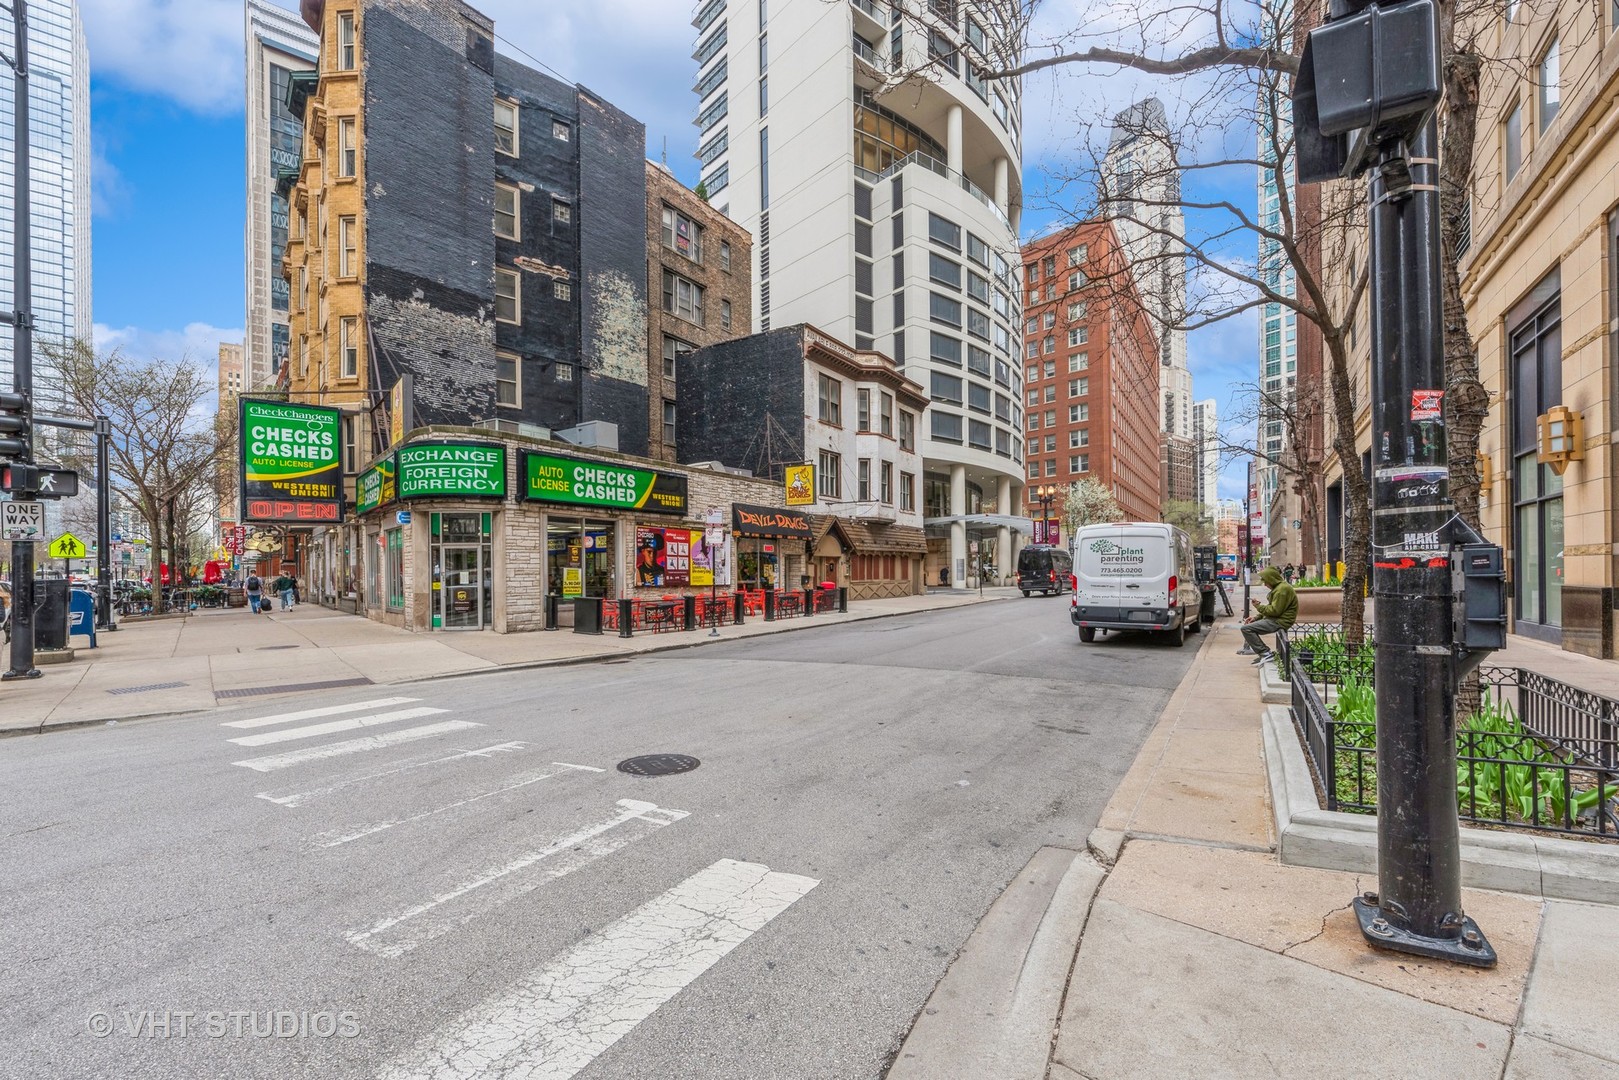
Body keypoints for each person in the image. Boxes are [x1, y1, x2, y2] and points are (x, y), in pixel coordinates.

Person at [1238, 566, 1298, 665]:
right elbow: (1272, 608)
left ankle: (1265, 653)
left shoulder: (1282, 590)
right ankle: (1264, 653)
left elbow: (1274, 611)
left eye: (1266, 582)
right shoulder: (1279, 588)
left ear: (1272, 579)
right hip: (1277, 619)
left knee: (1246, 629)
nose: (1265, 585)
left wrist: (1258, 606)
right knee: (1248, 627)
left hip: (1280, 621)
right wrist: (1256, 617)